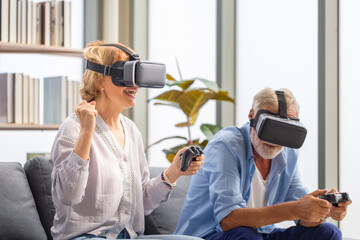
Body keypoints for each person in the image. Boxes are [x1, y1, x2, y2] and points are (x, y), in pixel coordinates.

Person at [49, 41, 204, 240]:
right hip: (85, 236)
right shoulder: (73, 127)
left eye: (137, 75)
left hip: (130, 236)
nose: (135, 85)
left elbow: (144, 203)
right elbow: (68, 196)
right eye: (125, 73)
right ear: (99, 80)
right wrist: (87, 131)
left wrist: (174, 172)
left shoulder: (131, 130)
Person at [175, 88, 351, 240]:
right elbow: (228, 220)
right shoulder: (227, 145)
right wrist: (295, 209)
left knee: (328, 232)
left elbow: (302, 217)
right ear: (252, 115)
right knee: (246, 236)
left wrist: (323, 210)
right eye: (270, 127)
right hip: (210, 234)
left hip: (260, 233)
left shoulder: (288, 154)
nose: (275, 140)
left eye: (284, 131)